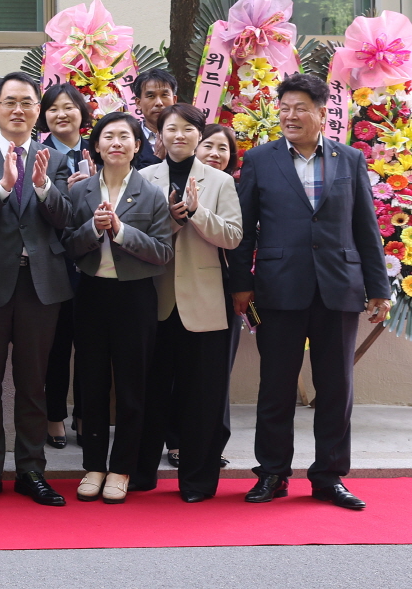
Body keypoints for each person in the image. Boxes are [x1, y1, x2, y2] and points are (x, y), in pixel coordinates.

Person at [232, 73, 392, 510]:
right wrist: (240, 284)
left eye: (300, 107)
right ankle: (272, 474)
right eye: (283, 108)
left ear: (323, 113)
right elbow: (245, 229)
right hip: (278, 287)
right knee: (276, 385)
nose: (289, 115)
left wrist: (378, 288)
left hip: (339, 286)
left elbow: (366, 229)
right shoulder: (261, 160)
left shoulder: (350, 159)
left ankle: (328, 477)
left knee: (336, 387)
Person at [0, 71, 73, 507]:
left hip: (40, 285)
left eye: (27, 102)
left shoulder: (56, 161)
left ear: (36, 110)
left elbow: (65, 220)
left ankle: (31, 470)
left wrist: (41, 187)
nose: (18, 110)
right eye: (10, 102)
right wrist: (4, 186)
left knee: (33, 383)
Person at [63, 110, 172, 503]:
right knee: (91, 384)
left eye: (124, 137)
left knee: (131, 387)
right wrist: (93, 229)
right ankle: (93, 465)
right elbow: (69, 247)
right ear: (96, 145)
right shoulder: (80, 192)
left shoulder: (152, 193)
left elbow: (163, 252)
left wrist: (121, 231)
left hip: (136, 297)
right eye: (108, 137)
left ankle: (122, 468)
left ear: (137, 146)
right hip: (92, 294)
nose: (116, 143)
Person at [136, 104, 243, 500]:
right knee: (149, 391)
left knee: (203, 396)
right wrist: (172, 220)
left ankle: (198, 481)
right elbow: (136, 235)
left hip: (204, 300)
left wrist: (197, 213)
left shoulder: (219, 181)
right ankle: (140, 473)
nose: (178, 135)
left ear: (199, 135)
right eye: (170, 129)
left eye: (186, 129)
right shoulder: (144, 178)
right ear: (159, 135)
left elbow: (232, 236)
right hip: (154, 298)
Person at [36, 83, 94, 452]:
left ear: (81, 113)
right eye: (53, 108)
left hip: (94, 263)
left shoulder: (100, 150)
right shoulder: (36, 155)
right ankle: (54, 414)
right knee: (56, 345)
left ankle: (86, 413)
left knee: (90, 345)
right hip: (52, 262)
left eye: (69, 107)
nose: (61, 114)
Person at [133, 69, 179, 168]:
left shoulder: (188, 136)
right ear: (138, 103)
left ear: (174, 100)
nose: (159, 103)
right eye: (151, 96)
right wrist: (157, 158)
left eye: (164, 95)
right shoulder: (129, 138)